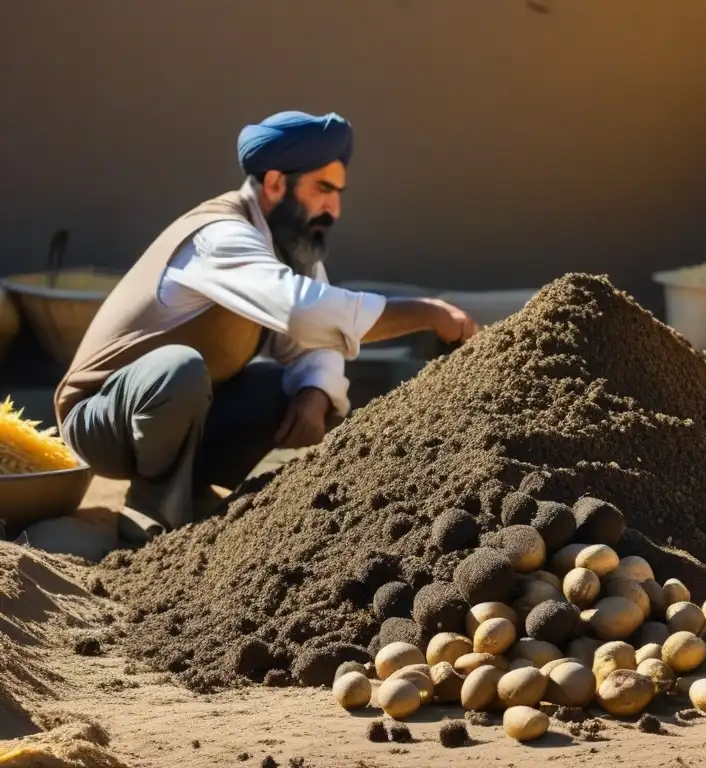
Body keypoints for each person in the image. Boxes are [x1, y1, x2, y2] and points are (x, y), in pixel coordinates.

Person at [54, 110, 478, 539]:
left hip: (191, 412)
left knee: (284, 387)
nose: (334, 208)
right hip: (103, 420)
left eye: (338, 192)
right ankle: (150, 506)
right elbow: (303, 311)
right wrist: (427, 312)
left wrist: (313, 393)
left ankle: (199, 491)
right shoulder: (219, 236)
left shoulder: (291, 248)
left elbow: (312, 340)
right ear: (276, 183)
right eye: (323, 189)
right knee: (179, 369)